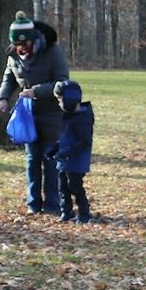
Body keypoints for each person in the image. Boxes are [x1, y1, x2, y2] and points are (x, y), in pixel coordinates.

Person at [0, 11, 69, 215]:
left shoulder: (52, 52)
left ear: (33, 39)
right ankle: (33, 204)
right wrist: (2, 99)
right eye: (17, 45)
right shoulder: (14, 55)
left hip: (52, 113)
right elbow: (9, 79)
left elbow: (62, 82)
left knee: (50, 159)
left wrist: (36, 91)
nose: (21, 49)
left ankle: (54, 204)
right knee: (31, 159)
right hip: (28, 115)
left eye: (24, 44)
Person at [49, 80, 93, 224]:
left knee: (74, 186)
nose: (58, 103)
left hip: (76, 161)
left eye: (59, 99)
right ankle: (66, 211)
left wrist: (67, 152)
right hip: (64, 161)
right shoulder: (66, 117)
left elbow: (84, 142)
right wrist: (55, 148)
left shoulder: (82, 119)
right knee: (62, 187)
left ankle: (84, 213)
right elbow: (64, 138)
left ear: (69, 99)